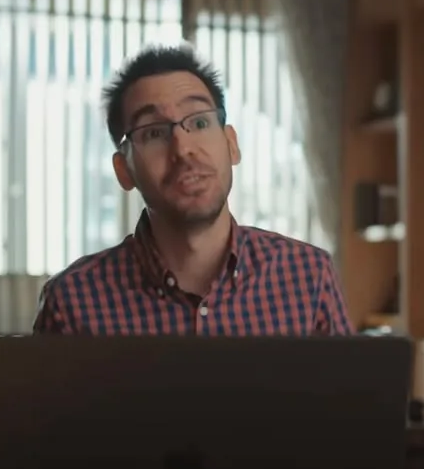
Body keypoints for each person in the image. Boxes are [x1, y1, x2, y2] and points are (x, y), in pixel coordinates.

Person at [33, 45, 354, 336]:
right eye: (154, 132)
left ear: (231, 144)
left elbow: (352, 401)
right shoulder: (73, 302)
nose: (183, 148)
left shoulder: (308, 277)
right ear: (124, 170)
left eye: (200, 123)